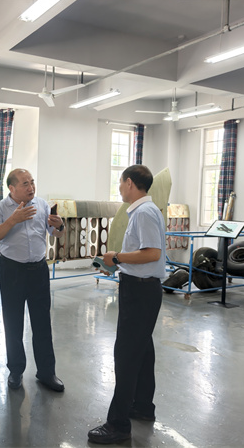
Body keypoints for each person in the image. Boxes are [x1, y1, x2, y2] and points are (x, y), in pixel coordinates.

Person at [87, 164, 166, 444]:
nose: (119, 188)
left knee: (126, 356)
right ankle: (142, 406)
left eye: (120, 183)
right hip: (142, 287)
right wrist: (117, 263)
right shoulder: (146, 210)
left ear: (130, 183)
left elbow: (152, 253)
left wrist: (117, 257)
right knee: (142, 351)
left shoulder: (143, 212)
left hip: (141, 291)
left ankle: (118, 424)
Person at [0, 168, 66, 392]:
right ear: (12, 188)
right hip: (12, 270)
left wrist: (60, 225)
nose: (31, 187)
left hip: (38, 270)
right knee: (13, 322)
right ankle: (15, 370)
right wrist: (13, 220)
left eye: (32, 182)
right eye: (25, 184)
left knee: (42, 322)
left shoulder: (41, 205)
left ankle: (46, 373)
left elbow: (55, 233)